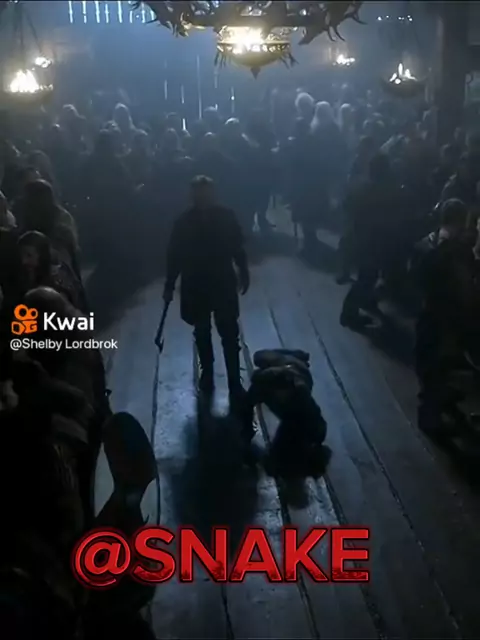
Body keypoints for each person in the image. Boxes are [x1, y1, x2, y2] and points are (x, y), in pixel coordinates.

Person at [163, 175, 250, 400]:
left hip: (216, 280)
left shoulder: (200, 219)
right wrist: (169, 283)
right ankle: (209, 374)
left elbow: (237, 246)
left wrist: (243, 269)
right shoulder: (187, 221)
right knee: (204, 331)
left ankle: (232, 378)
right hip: (200, 282)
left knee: (227, 332)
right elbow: (174, 256)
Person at [414, 199, 479, 434]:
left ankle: (440, 404)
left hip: (430, 313)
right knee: (439, 366)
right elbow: (463, 287)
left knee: (435, 365)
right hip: (446, 317)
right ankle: (431, 419)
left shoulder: (429, 242)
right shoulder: (455, 251)